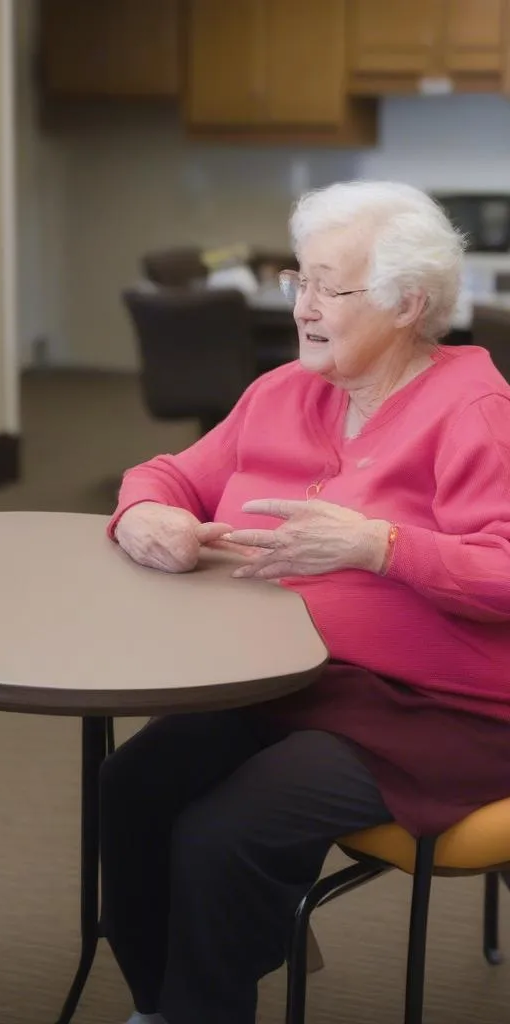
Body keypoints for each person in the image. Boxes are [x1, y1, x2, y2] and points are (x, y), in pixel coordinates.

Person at [102, 180, 510, 1024]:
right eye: (301, 282)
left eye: (331, 287)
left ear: (410, 303)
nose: (304, 307)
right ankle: (163, 1003)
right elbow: (171, 473)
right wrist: (147, 514)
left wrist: (380, 547)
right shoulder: (284, 391)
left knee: (226, 836)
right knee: (134, 785)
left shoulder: (475, 410)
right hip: (280, 679)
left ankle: (201, 1010)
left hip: (437, 711)